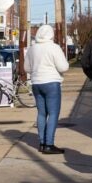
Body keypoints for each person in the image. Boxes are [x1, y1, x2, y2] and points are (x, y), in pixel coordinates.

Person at [24, 25, 69, 154]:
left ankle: (42, 143)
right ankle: (49, 144)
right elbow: (63, 67)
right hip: (52, 83)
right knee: (53, 113)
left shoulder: (32, 49)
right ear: (51, 34)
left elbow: (27, 68)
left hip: (37, 83)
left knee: (41, 113)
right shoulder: (54, 48)